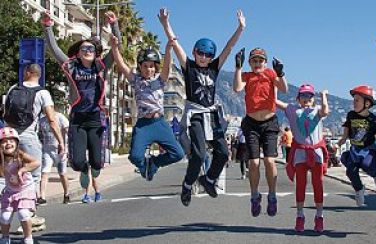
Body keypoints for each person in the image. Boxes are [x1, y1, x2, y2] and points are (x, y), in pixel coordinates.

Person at [159, 8, 245, 206]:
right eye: (200, 53)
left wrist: (240, 28)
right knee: (198, 154)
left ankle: (208, 180)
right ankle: (188, 186)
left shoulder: (214, 68)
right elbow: (175, 43)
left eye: (208, 54)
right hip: (195, 114)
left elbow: (229, 48)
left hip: (212, 115)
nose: (204, 57)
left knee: (223, 152)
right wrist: (165, 24)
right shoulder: (188, 67)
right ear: (195, 53)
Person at [42, 11, 120, 187]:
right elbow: (54, 50)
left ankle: (93, 167)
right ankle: (84, 169)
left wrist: (114, 25)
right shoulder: (71, 66)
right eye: (84, 48)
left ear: (95, 52)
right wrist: (47, 27)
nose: (87, 51)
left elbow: (117, 48)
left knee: (98, 163)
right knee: (76, 163)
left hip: (95, 118)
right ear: (77, 53)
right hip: (77, 118)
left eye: (91, 48)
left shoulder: (101, 66)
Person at [110, 25, 184, 182]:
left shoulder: (160, 80)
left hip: (159, 123)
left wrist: (168, 49)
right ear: (140, 67)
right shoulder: (135, 80)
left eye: (151, 66)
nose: (148, 69)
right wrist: (115, 48)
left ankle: (154, 163)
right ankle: (145, 168)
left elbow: (167, 66)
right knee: (135, 157)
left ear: (155, 67)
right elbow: (121, 64)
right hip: (143, 124)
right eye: (145, 66)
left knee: (178, 154)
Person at [4, 63, 64, 232]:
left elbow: (5, 112)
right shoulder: (43, 93)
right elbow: (52, 119)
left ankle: (5, 211)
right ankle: (29, 217)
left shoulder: (13, 88)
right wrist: (60, 141)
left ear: (27, 72)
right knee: (33, 174)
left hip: (10, 137)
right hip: (29, 137)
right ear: (39, 75)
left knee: (6, 173)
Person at [233, 47, 288, 217]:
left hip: (270, 123)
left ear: (265, 62)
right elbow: (236, 88)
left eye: (260, 60)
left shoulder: (270, 74)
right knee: (254, 163)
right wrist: (238, 67)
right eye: (254, 61)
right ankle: (254, 195)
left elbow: (284, 89)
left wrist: (281, 73)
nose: (257, 63)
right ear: (250, 62)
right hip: (251, 123)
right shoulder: (247, 76)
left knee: (270, 161)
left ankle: (272, 196)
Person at [276, 84, 328, 232]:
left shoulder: (317, 110)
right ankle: (300, 216)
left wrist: (324, 95)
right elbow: (274, 101)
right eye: (304, 96)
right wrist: (273, 81)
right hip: (300, 153)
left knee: (318, 184)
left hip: (316, 152)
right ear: (298, 98)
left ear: (313, 99)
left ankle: (319, 216)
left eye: (309, 96)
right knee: (301, 185)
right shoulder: (292, 109)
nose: (307, 99)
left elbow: (325, 110)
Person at [337, 85, 376, 207]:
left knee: (368, 165)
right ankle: (359, 189)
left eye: (357, 100)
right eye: (354, 100)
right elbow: (347, 126)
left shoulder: (374, 120)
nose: (354, 103)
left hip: (369, 150)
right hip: (354, 150)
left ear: (367, 104)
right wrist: (343, 138)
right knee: (350, 172)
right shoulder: (351, 115)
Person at [0, 127, 40, 244]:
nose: (8, 143)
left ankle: (28, 238)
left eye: (11, 141)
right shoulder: (1, 160)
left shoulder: (20, 155)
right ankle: (5, 237)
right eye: (4, 141)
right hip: (10, 191)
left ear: (17, 143)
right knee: (5, 216)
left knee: (24, 213)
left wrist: (23, 169)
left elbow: (36, 162)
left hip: (25, 189)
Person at [38, 110, 70, 205]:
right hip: (47, 150)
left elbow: (68, 130)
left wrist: (67, 145)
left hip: (60, 150)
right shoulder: (42, 120)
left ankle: (66, 194)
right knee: (44, 172)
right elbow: (40, 134)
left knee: (62, 174)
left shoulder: (60, 117)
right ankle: (42, 197)